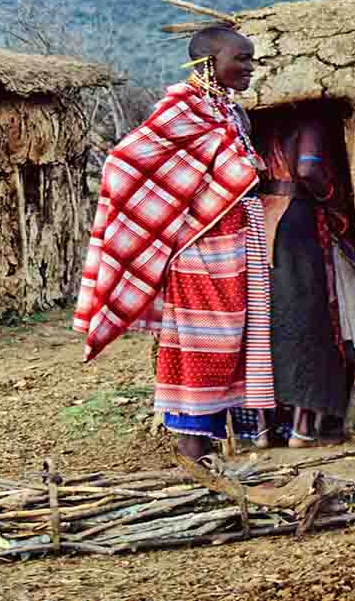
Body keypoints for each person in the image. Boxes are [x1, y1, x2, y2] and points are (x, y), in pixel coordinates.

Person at [74, 26, 274, 460]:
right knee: (202, 347)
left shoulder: (231, 113)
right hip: (201, 251)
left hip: (239, 244)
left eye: (251, 59)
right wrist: (178, 224)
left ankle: (209, 460)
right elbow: (125, 162)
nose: (249, 68)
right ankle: (193, 458)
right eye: (240, 58)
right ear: (207, 62)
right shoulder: (182, 110)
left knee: (234, 344)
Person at [253, 105, 355, 447]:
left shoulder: (258, 125)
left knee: (265, 322)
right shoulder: (308, 121)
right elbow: (307, 168)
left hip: (260, 218)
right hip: (295, 219)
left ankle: (263, 430)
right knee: (307, 319)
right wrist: (332, 197)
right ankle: (301, 429)